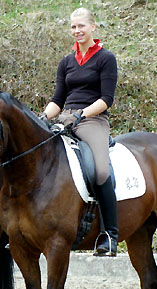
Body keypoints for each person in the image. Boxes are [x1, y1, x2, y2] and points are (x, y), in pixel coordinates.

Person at [40, 8, 118, 256]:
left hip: (93, 120)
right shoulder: (66, 61)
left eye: (81, 26)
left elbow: (106, 99)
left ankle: (110, 234)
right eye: (73, 27)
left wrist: (81, 114)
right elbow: (57, 100)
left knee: (101, 171)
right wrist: (42, 118)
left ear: (93, 27)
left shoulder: (106, 58)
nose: (77, 31)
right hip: (65, 118)